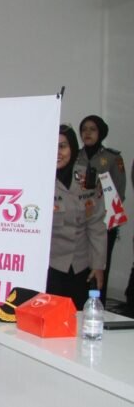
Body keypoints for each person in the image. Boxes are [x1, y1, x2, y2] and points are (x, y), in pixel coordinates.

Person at [49, 125, 106, 308]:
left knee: (78, 316)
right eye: (52, 146)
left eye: (62, 146)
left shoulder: (87, 178)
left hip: (80, 266)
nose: (57, 152)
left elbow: (96, 225)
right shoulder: (39, 179)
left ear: (73, 148)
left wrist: (98, 265)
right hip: (50, 265)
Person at [76, 115, 123, 297]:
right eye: (84, 129)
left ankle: (97, 304)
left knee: (100, 268)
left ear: (101, 132)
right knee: (79, 269)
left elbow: (118, 192)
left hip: (102, 221)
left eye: (92, 129)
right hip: (79, 221)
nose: (87, 133)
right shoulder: (74, 156)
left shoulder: (112, 158)